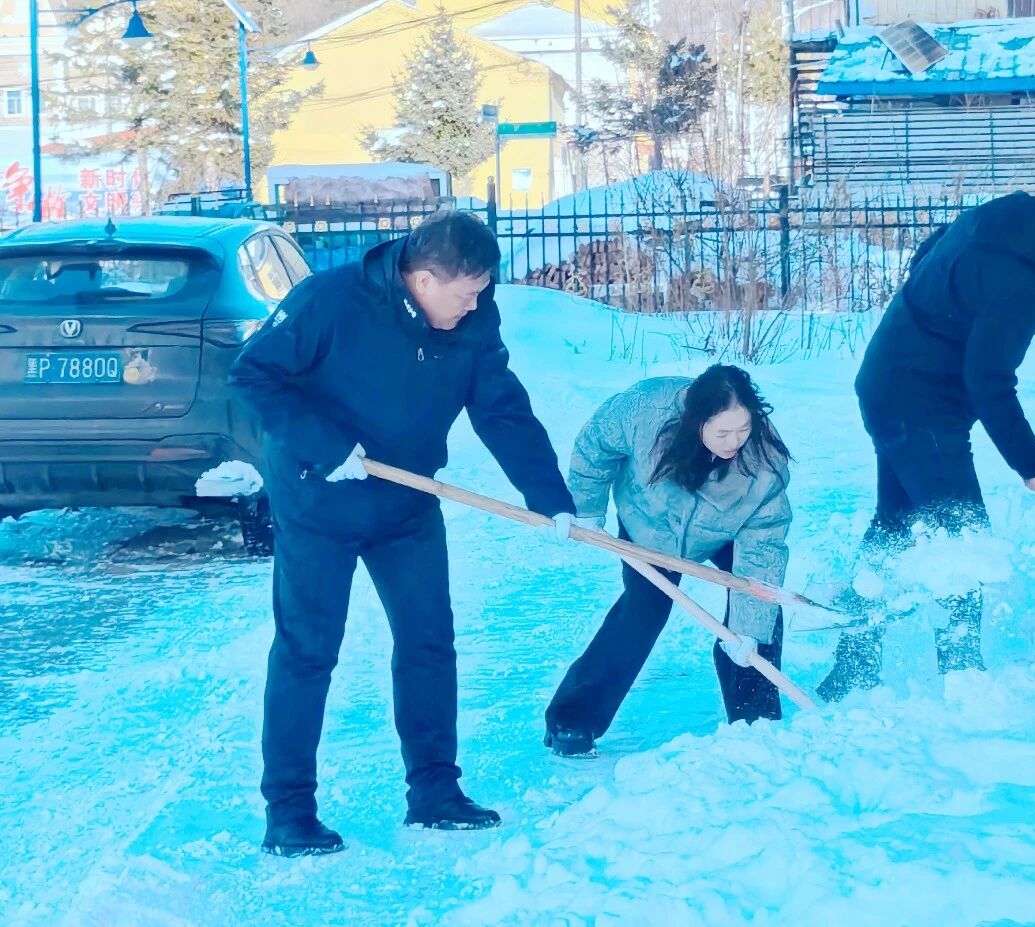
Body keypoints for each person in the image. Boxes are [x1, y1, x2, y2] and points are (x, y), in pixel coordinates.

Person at [229, 212, 577, 857]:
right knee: (308, 651)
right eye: (464, 294)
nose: (474, 305)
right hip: (318, 499)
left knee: (428, 642)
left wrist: (550, 498)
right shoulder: (330, 300)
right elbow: (253, 375)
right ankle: (289, 814)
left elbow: (500, 407)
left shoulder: (473, 315)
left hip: (407, 501)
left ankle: (435, 792)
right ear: (422, 279)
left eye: (480, 293)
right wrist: (324, 445)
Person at [817, 168, 1035, 701]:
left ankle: (854, 664)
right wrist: (1032, 465)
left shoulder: (1001, 216)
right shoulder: (1024, 285)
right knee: (964, 539)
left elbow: (927, 254)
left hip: (887, 381)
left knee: (897, 523)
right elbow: (989, 381)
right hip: (920, 406)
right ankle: (963, 679)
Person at [543, 366, 793, 758]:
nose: (734, 441)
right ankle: (573, 719)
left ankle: (755, 720)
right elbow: (596, 445)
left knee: (760, 607)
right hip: (650, 527)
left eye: (743, 429)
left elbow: (763, 546)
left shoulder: (764, 462)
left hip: (724, 530)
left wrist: (748, 630)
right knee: (642, 611)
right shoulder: (647, 410)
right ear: (696, 421)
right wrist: (585, 507)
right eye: (722, 433)